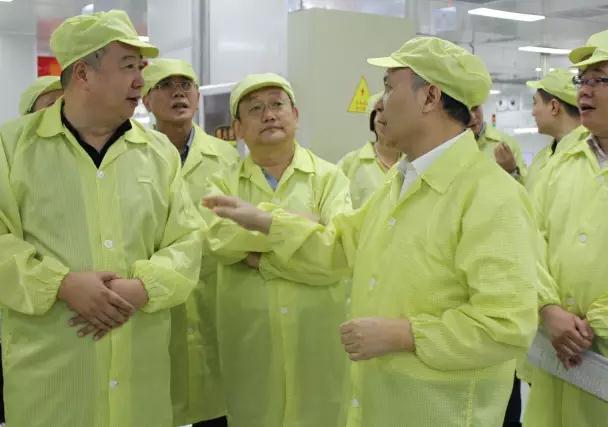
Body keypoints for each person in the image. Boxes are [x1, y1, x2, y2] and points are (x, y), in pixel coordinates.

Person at [203, 37, 539, 427]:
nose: (379, 103)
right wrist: (268, 221)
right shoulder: (400, 182)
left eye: (389, 87)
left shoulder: (489, 194)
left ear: (430, 97)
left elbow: (506, 325)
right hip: (378, 404)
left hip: (438, 412)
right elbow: (340, 244)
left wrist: (404, 335)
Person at [0, 10, 203, 427]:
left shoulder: (158, 154)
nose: (140, 80)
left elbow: (187, 241)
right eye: (128, 66)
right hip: (52, 385)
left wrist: (142, 288)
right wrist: (60, 284)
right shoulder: (14, 147)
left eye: (140, 67)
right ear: (83, 74)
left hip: (140, 379)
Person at [202, 73, 351, 427]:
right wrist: (304, 226)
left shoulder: (329, 177)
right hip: (252, 345)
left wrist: (258, 235)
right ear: (238, 128)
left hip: (317, 342)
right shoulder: (222, 182)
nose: (269, 115)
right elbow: (219, 240)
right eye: (255, 109)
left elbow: (337, 252)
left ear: (295, 115)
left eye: (277, 105)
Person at [142, 57, 239, 427]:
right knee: (155, 402)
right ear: (146, 100)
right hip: (154, 294)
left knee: (214, 406)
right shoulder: (133, 156)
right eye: (166, 85)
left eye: (186, 85)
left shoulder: (227, 155)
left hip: (213, 295)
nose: (178, 93)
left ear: (197, 97)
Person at [523, 28, 608, 427]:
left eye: (599, 79)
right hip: (555, 355)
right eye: (582, 80)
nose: (584, 91)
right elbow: (529, 238)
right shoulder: (562, 161)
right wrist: (549, 309)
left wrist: (595, 324)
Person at [338, 91, 401, 208]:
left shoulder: (412, 162)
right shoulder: (350, 163)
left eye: (393, 110)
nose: (386, 116)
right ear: (372, 118)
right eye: (380, 109)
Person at [524, 68, 584, 190]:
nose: (533, 112)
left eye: (535, 103)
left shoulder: (589, 158)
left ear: (554, 107)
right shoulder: (541, 158)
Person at [470, 105, 528, 181]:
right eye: (465, 111)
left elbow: (524, 186)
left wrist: (512, 172)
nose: (472, 116)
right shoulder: (455, 146)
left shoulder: (506, 144)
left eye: (475, 108)